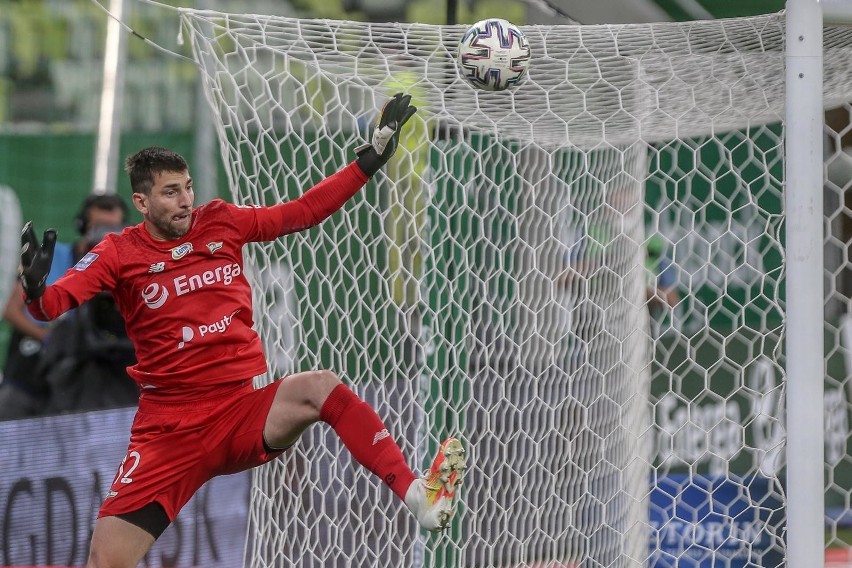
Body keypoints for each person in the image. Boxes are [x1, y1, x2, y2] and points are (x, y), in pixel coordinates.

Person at [18, 93, 466, 566]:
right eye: (170, 192)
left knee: (319, 386)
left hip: (239, 411)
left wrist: (366, 166)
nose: (185, 200)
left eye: (187, 187)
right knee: (105, 561)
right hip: (168, 431)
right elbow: (51, 306)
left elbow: (303, 212)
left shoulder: (221, 222)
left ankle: (419, 494)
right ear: (141, 201)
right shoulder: (118, 252)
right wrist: (33, 289)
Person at [0, 193, 128, 419]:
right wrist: (48, 337)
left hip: (79, 383)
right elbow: (11, 309)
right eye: (99, 226)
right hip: (30, 369)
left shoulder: (119, 270)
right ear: (82, 225)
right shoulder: (52, 257)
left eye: (113, 227)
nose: (105, 234)